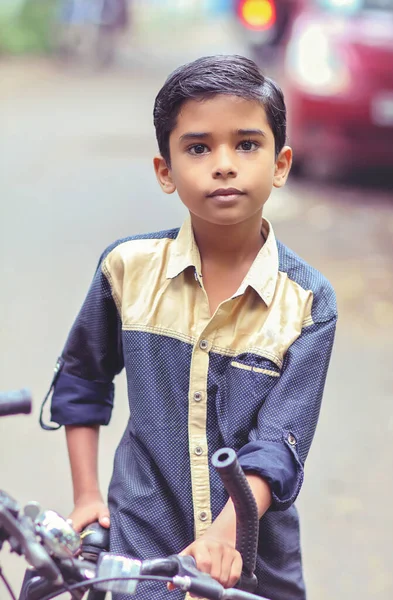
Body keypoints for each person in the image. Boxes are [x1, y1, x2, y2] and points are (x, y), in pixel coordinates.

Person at [43, 55, 337, 599]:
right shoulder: (126, 270)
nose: (223, 164)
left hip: (253, 563)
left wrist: (224, 537)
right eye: (198, 148)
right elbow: (82, 380)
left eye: (247, 144)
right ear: (166, 171)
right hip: (141, 546)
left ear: (280, 164)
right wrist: (87, 496)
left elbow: (278, 444)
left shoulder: (309, 301)